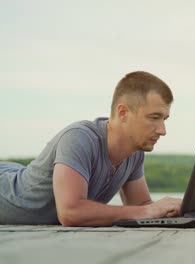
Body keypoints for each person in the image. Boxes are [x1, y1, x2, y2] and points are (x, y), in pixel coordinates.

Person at [0, 71, 182, 226]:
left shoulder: (134, 154)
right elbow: (70, 212)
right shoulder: (79, 138)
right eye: (154, 117)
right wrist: (147, 210)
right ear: (123, 113)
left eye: (164, 119)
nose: (162, 130)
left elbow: (142, 205)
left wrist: (177, 209)